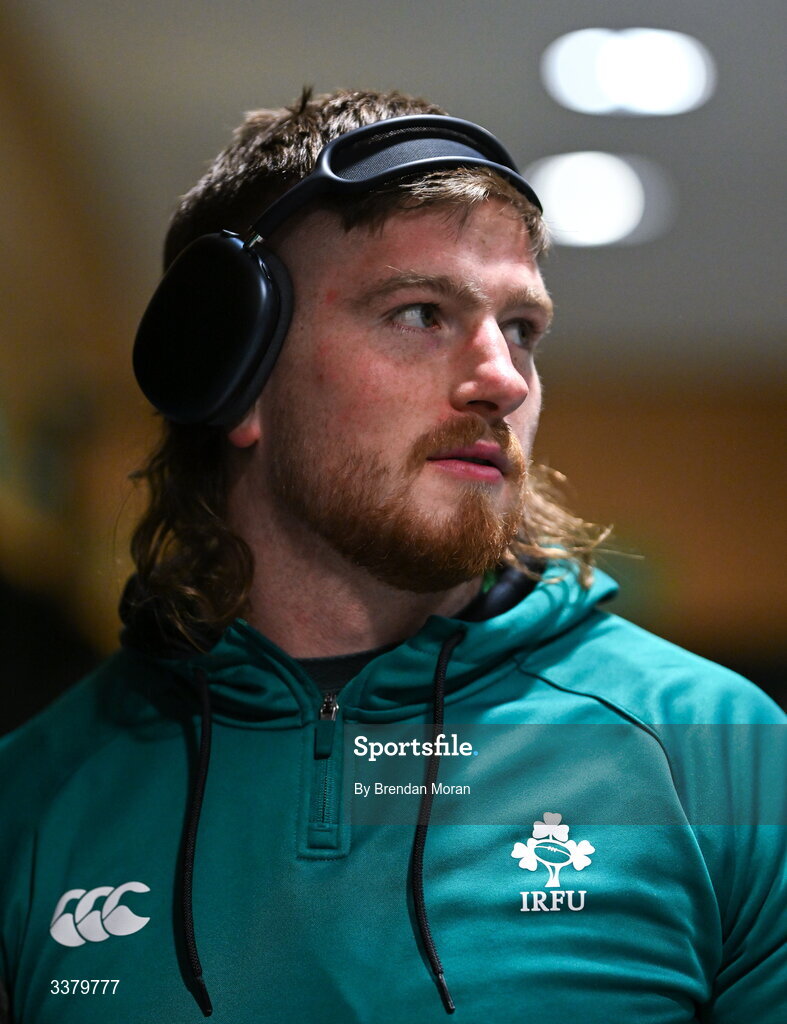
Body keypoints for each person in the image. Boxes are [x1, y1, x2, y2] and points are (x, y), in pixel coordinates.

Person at [0, 88, 784, 1024]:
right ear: (232, 376)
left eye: (522, 328)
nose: (502, 376)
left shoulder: (722, 753)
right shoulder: (35, 797)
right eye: (419, 313)